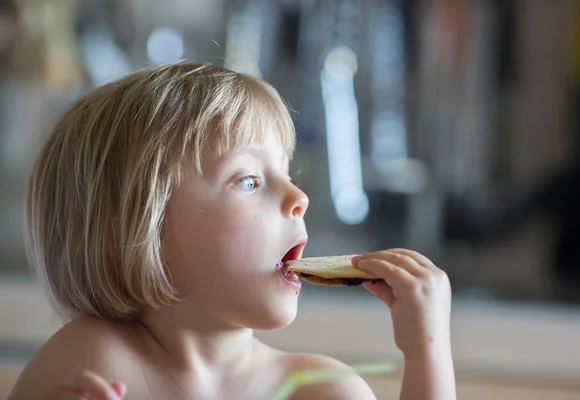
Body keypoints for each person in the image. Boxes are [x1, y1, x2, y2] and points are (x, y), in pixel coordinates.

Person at [8, 62, 455, 400]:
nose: (298, 195)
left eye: (286, 170)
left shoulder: (322, 390)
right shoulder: (93, 359)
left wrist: (426, 351)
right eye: (248, 180)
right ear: (140, 229)